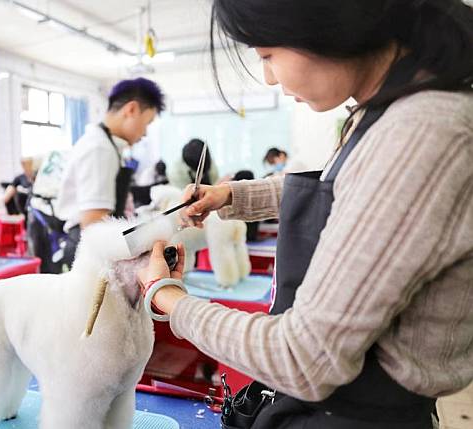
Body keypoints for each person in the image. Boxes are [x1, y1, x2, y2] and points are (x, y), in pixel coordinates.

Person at [138, 1, 473, 428]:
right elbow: (356, 189)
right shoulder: (386, 111)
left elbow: (304, 358)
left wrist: (168, 298)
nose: (269, 77)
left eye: (268, 56)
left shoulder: (423, 131)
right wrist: (230, 196)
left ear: (328, 25)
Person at [55, 77, 165, 267]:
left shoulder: (105, 144)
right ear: (131, 110)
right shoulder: (100, 149)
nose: (145, 133)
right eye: (147, 123)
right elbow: (94, 225)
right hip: (89, 252)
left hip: (91, 245)